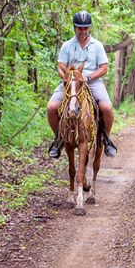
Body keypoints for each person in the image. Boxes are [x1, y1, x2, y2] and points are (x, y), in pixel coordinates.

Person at [47, 11, 117, 159]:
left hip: (92, 81)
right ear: (75, 28)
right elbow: (60, 66)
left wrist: (88, 77)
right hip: (70, 82)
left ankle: (107, 139)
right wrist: (67, 77)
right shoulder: (67, 45)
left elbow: (104, 68)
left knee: (107, 108)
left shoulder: (97, 45)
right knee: (51, 107)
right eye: (80, 28)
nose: (83, 31)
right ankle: (58, 138)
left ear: (89, 28)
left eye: (85, 28)